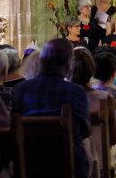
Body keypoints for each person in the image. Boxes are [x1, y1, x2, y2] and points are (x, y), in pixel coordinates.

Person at [12, 38, 91, 178]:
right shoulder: (76, 92)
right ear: (68, 65)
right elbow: (84, 131)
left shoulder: (20, 90)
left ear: (41, 62)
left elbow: (14, 128)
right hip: (68, 164)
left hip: (29, 163)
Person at [67, 47, 116, 176]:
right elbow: (113, 139)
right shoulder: (105, 98)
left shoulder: (64, 98)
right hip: (101, 158)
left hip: (68, 159)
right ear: (92, 69)